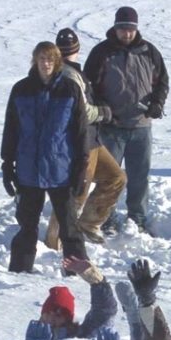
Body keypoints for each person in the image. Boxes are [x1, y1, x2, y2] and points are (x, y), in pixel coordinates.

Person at [2, 42, 89, 273]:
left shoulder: (70, 89)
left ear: (58, 60)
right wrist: (6, 165)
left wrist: (82, 167)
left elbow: (81, 132)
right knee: (26, 228)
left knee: (70, 229)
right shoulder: (21, 90)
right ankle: (19, 274)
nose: (46, 63)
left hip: (62, 171)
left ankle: (78, 274)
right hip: (28, 171)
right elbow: (11, 128)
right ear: (35, 60)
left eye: (51, 59)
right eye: (42, 58)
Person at [84, 6, 169, 235]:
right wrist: (103, 108)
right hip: (112, 127)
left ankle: (137, 218)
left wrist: (157, 104)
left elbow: (162, 82)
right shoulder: (101, 52)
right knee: (109, 177)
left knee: (139, 175)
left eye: (130, 29)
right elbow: (88, 86)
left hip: (141, 126)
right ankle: (106, 218)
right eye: (123, 29)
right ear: (115, 27)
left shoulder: (149, 51)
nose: (127, 34)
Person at [48, 28, 125, 244]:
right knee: (75, 193)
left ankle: (89, 223)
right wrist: (102, 112)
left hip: (92, 139)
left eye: (69, 50)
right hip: (77, 141)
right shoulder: (68, 75)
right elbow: (81, 110)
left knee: (115, 178)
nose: (68, 54)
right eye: (65, 51)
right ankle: (54, 240)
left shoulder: (74, 72)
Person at [37, 258, 118, 340]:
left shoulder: (81, 337)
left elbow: (103, 312)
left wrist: (97, 283)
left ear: (68, 319)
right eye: (47, 314)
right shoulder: (34, 338)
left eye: (58, 315)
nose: (51, 319)